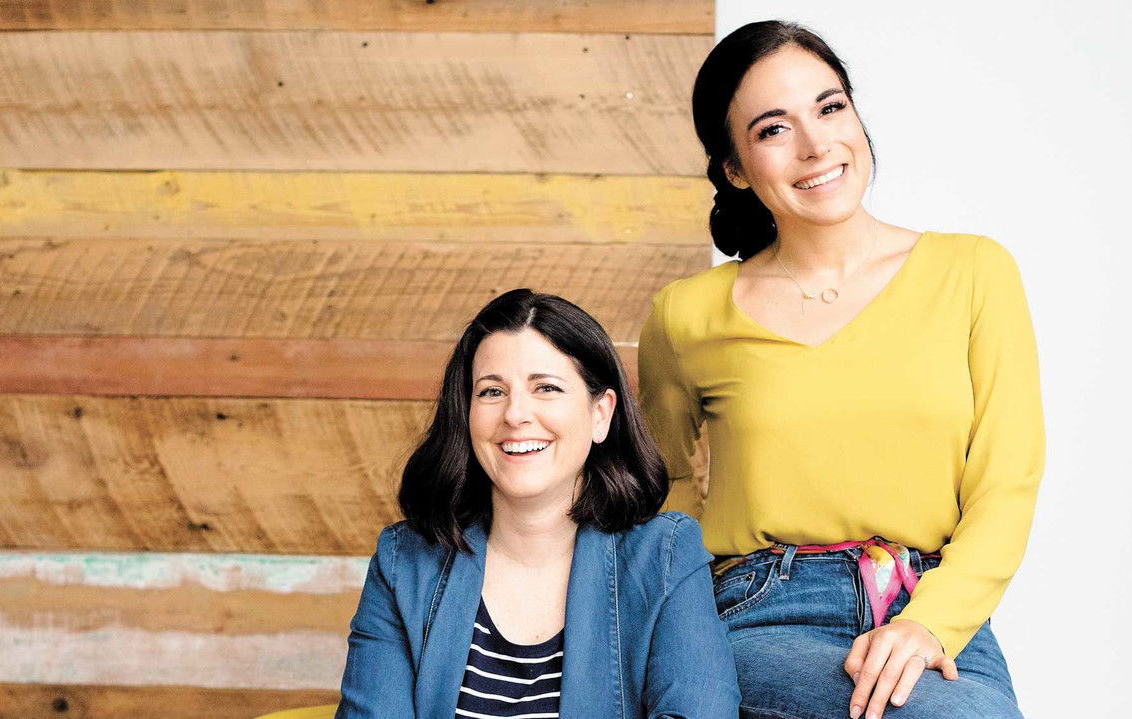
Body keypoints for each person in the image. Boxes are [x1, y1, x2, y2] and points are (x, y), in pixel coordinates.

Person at [638, 20, 1043, 719]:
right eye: (773, 129)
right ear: (735, 168)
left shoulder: (974, 272)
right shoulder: (685, 315)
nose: (815, 144)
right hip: (762, 608)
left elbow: (1007, 481)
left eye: (829, 108)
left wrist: (929, 622)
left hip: (932, 612)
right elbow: (663, 486)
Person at [335, 289, 741, 719]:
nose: (515, 415)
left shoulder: (665, 556)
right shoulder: (403, 563)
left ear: (601, 414)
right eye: (491, 392)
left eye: (546, 388)